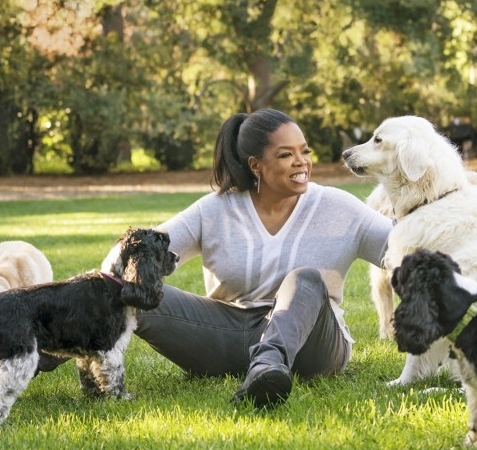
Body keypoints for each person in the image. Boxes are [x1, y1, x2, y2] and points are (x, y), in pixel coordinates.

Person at [135, 109, 392, 408]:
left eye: (305, 152)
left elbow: (406, 247)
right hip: (229, 335)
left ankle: (268, 367)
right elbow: (139, 254)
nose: (302, 162)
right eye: (286, 155)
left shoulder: (338, 207)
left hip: (313, 345)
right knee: (130, 285)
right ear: (256, 165)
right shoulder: (214, 210)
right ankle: (67, 336)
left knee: (306, 278)